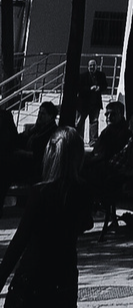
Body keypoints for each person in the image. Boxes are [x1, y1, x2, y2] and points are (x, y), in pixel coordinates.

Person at [0, 125, 93, 306]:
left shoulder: (40, 193)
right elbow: (85, 223)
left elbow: (20, 240)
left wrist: (2, 275)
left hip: (33, 276)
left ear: (51, 155)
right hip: (64, 276)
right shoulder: (83, 190)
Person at [76, 59, 108, 144]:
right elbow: (79, 88)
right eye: (90, 65)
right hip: (83, 104)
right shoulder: (83, 76)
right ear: (88, 67)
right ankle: (79, 140)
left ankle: (93, 141)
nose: (92, 67)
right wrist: (90, 89)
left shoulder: (101, 75)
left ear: (96, 66)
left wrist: (99, 88)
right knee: (80, 122)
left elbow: (105, 85)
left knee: (94, 122)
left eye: (94, 65)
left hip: (95, 103)